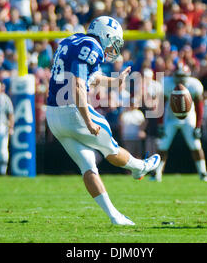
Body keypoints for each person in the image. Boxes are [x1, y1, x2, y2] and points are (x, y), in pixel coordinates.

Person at [46, 16, 160, 226]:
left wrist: (114, 82)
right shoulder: (92, 47)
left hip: (53, 116)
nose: (114, 47)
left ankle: (115, 217)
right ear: (106, 36)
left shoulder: (73, 40)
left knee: (87, 165)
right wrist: (88, 120)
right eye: (114, 41)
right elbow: (79, 85)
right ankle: (139, 167)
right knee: (111, 150)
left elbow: (92, 77)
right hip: (73, 112)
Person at [154, 64, 207, 183]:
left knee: (195, 145)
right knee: (163, 146)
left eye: (182, 76)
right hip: (170, 118)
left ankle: (203, 172)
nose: (180, 79)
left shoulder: (194, 85)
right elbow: (161, 105)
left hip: (188, 118)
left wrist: (198, 125)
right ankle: (157, 173)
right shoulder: (166, 84)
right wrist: (160, 124)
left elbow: (200, 107)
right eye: (178, 76)